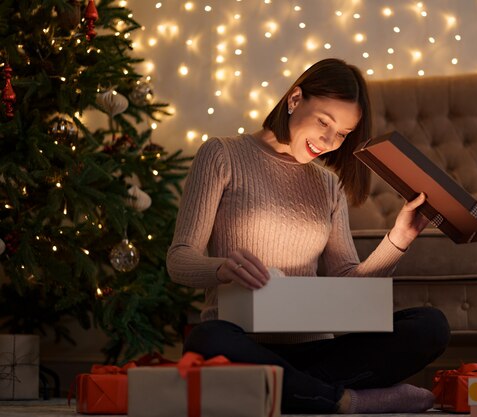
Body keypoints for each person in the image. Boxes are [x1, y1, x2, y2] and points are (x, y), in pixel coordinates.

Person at [167, 58, 450, 414]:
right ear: (295, 99)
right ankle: (344, 399)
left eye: (343, 134)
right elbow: (179, 259)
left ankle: (298, 390)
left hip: (314, 351)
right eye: (324, 122)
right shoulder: (222, 155)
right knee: (206, 339)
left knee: (430, 326)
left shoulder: (328, 185)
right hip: (241, 344)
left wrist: (398, 240)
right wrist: (222, 268)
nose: (330, 141)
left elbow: (349, 282)